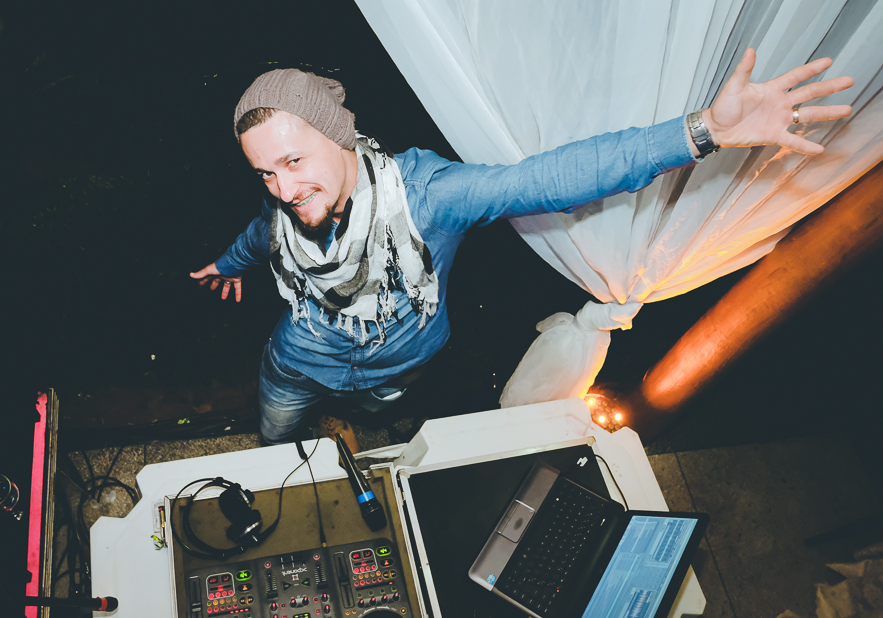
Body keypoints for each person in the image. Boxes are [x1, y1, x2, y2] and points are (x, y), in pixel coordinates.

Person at [191, 49, 853, 449]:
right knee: (275, 446)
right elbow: (264, 231)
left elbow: (550, 177)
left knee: (388, 438)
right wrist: (230, 261)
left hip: (402, 365)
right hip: (295, 364)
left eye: (294, 161)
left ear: (338, 135)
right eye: (265, 173)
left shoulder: (429, 195)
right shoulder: (287, 197)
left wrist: (701, 131)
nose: (284, 186)